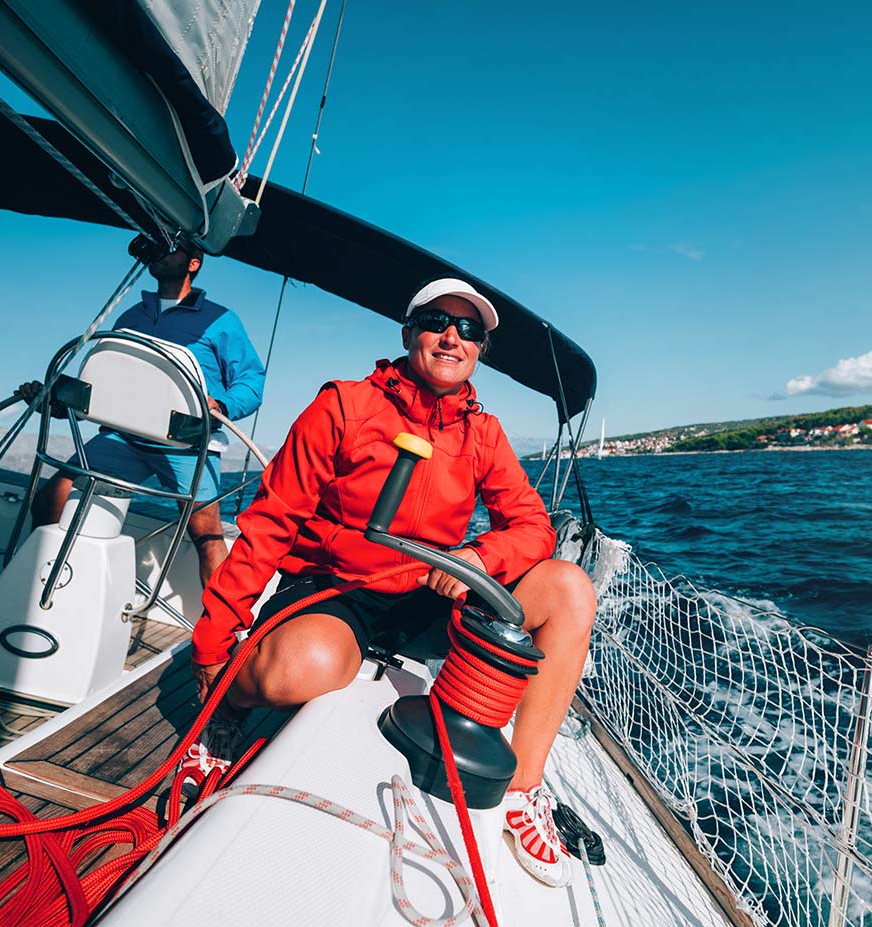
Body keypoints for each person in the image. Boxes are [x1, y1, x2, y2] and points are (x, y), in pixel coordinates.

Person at [189, 278, 597, 887]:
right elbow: (269, 526)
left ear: (481, 349)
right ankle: (227, 701)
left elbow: (533, 525)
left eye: (470, 330)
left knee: (568, 588)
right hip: (337, 589)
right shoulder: (344, 406)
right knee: (296, 671)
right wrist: (211, 644)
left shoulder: (482, 433)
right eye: (437, 321)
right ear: (409, 333)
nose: (452, 337)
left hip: (432, 593)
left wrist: (481, 558)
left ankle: (523, 789)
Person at [21, 239, 266, 590]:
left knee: (208, 536)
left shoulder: (221, 321)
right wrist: (56, 398)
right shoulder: (131, 317)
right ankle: (36, 586)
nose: (159, 251)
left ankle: (224, 635)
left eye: (171, 248)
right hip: (123, 437)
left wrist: (222, 405)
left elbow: (251, 380)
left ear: (193, 264)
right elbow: (105, 379)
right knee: (52, 498)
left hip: (184, 443)